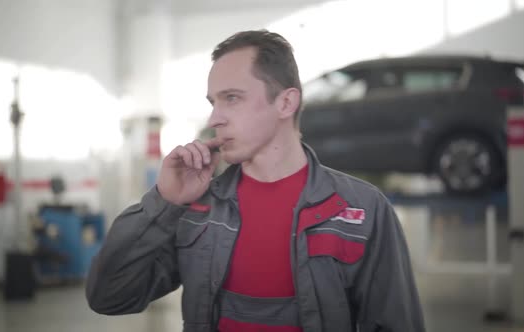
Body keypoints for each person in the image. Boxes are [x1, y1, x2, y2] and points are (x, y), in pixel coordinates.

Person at [86, 30, 425, 332]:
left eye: (232, 98)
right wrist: (164, 200)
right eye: (213, 102)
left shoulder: (361, 209)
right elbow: (110, 298)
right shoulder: (199, 208)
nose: (215, 118)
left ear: (286, 102)